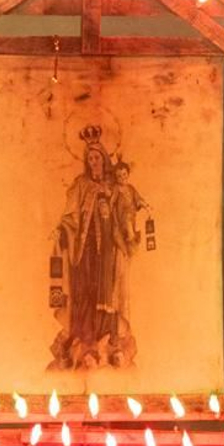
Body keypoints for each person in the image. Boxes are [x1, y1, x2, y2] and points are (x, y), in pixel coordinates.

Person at [48, 126, 138, 369]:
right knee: (84, 291)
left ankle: (107, 339)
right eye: (90, 158)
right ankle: (84, 337)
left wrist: (127, 234)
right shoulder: (79, 184)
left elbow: (125, 210)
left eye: (97, 157)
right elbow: (69, 215)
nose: (94, 161)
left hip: (108, 249)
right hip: (84, 250)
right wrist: (60, 230)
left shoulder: (114, 185)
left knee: (107, 291)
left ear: (104, 159)